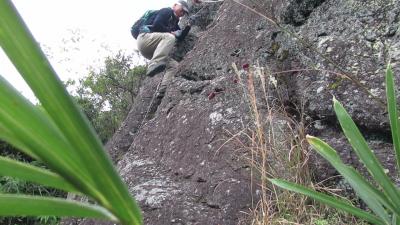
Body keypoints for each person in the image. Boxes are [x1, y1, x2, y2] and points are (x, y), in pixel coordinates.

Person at [136, 1, 193, 77]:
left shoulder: (174, 22)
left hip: (152, 51)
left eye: (184, 12)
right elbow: (157, 24)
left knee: (174, 66)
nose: (182, 13)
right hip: (145, 38)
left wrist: (189, 26)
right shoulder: (167, 11)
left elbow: (180, 37)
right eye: (182, 9)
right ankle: (153, 64)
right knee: (169, 37)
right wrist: (170, 32)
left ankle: (163, 88)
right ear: (175, 5)